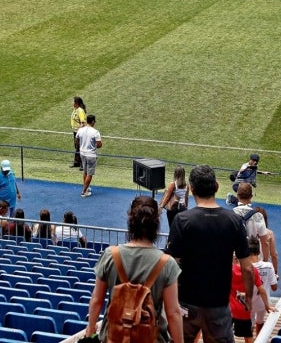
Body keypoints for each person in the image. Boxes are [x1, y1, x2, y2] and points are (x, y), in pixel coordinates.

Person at [166, 164, 254, 343]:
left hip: (186, 304)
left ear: (192, 188)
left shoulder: (181, 220)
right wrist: (250, 297)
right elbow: (248, 268)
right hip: (218, 306)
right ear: (216, 187)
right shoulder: (234, 221)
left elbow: (170, 265)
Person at [85, 196, 183, 343]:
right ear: (156, 223)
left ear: (130, 219)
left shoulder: (110, 255)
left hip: (114, 336)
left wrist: (90, 330)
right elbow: (173, 313)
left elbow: (97, 300)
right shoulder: (167, 263)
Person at [230, 249, 267, 343]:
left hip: (228, 310)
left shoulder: (229, 269)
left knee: (222, 334)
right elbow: (261, 290)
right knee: (247, 335)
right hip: (244, 310)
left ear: (235, 258)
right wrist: (267, 305)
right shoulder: (252, 270)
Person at [232, 183, 271, 266]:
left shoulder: (230, 215)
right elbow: (265, 242)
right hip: (253, 259)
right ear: (251, 196)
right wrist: (265, 261)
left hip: (236, 260)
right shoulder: (258, 216)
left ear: (237, 195)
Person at [249, 236, 277, 336]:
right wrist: (275, 278)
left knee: (248, 329)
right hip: (262, 304)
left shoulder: (242, 268)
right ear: (259, 251)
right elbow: (274, 288)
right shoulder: (268, 266)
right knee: (260, 323)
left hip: (247, 304)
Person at [76, 114, 102, 197]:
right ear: (93, 121)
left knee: (85, 171)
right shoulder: (95, 132)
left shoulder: (80, 130)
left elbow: (76, 140)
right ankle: (84, 192)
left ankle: (86, 187)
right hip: (91, 155)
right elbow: (99, 145)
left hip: (82, 153)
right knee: (90, 174)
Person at [255, 206, 279, 277]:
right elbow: (274, 255)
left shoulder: (248, 232)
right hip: (265, 267)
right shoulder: (269, 233)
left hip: (251, 266)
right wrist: (275, 272)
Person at [70, 96, 87, 169]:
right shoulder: (75, 110)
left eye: (73, 101)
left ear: (76, 103)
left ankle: (83, 164)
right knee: (77, 147)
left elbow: (82, 123)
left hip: (79, 132)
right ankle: (77, 162)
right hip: (75, 131)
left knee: (80, 147)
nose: (72, 102)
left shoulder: (80, 111)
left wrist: (79, 132)